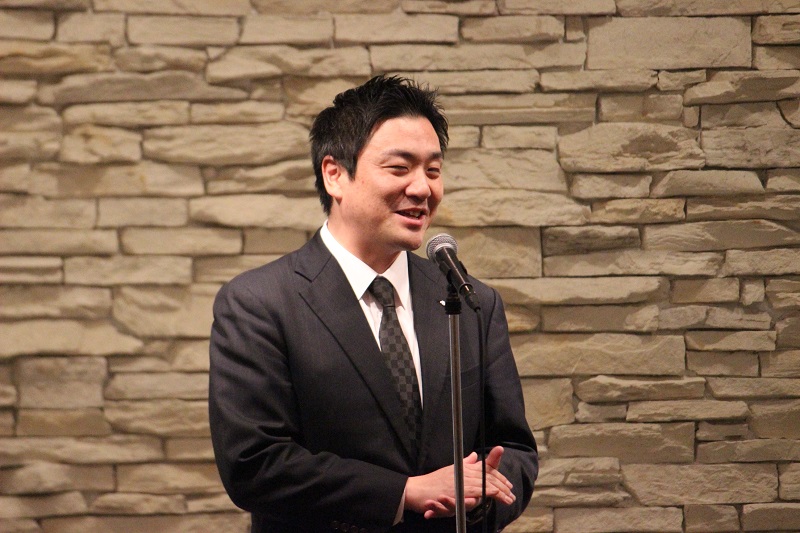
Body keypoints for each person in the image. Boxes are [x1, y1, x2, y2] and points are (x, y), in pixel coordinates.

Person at [208, 75, 538, 533]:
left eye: (433, 171)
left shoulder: (471, 301)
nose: (422, 189)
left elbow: (515, 451)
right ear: (334, 175)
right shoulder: (259, 303)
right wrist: (403, 493)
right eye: (400, 168)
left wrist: (475, 501)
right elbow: (254, 463)